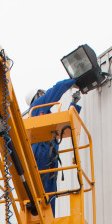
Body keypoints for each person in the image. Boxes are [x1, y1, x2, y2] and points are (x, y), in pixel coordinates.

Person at [26, 80, 81, 213]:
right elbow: (55, 91)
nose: (44, 95)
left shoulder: (48, 115)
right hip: (41, 154)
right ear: (36, 96)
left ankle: (49, 218)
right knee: (42, 190)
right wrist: (73, 81)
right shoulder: (36, 107)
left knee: (50, 195)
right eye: (41, 93)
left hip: (50, 158)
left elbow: (66, 123)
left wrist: (73, 104)